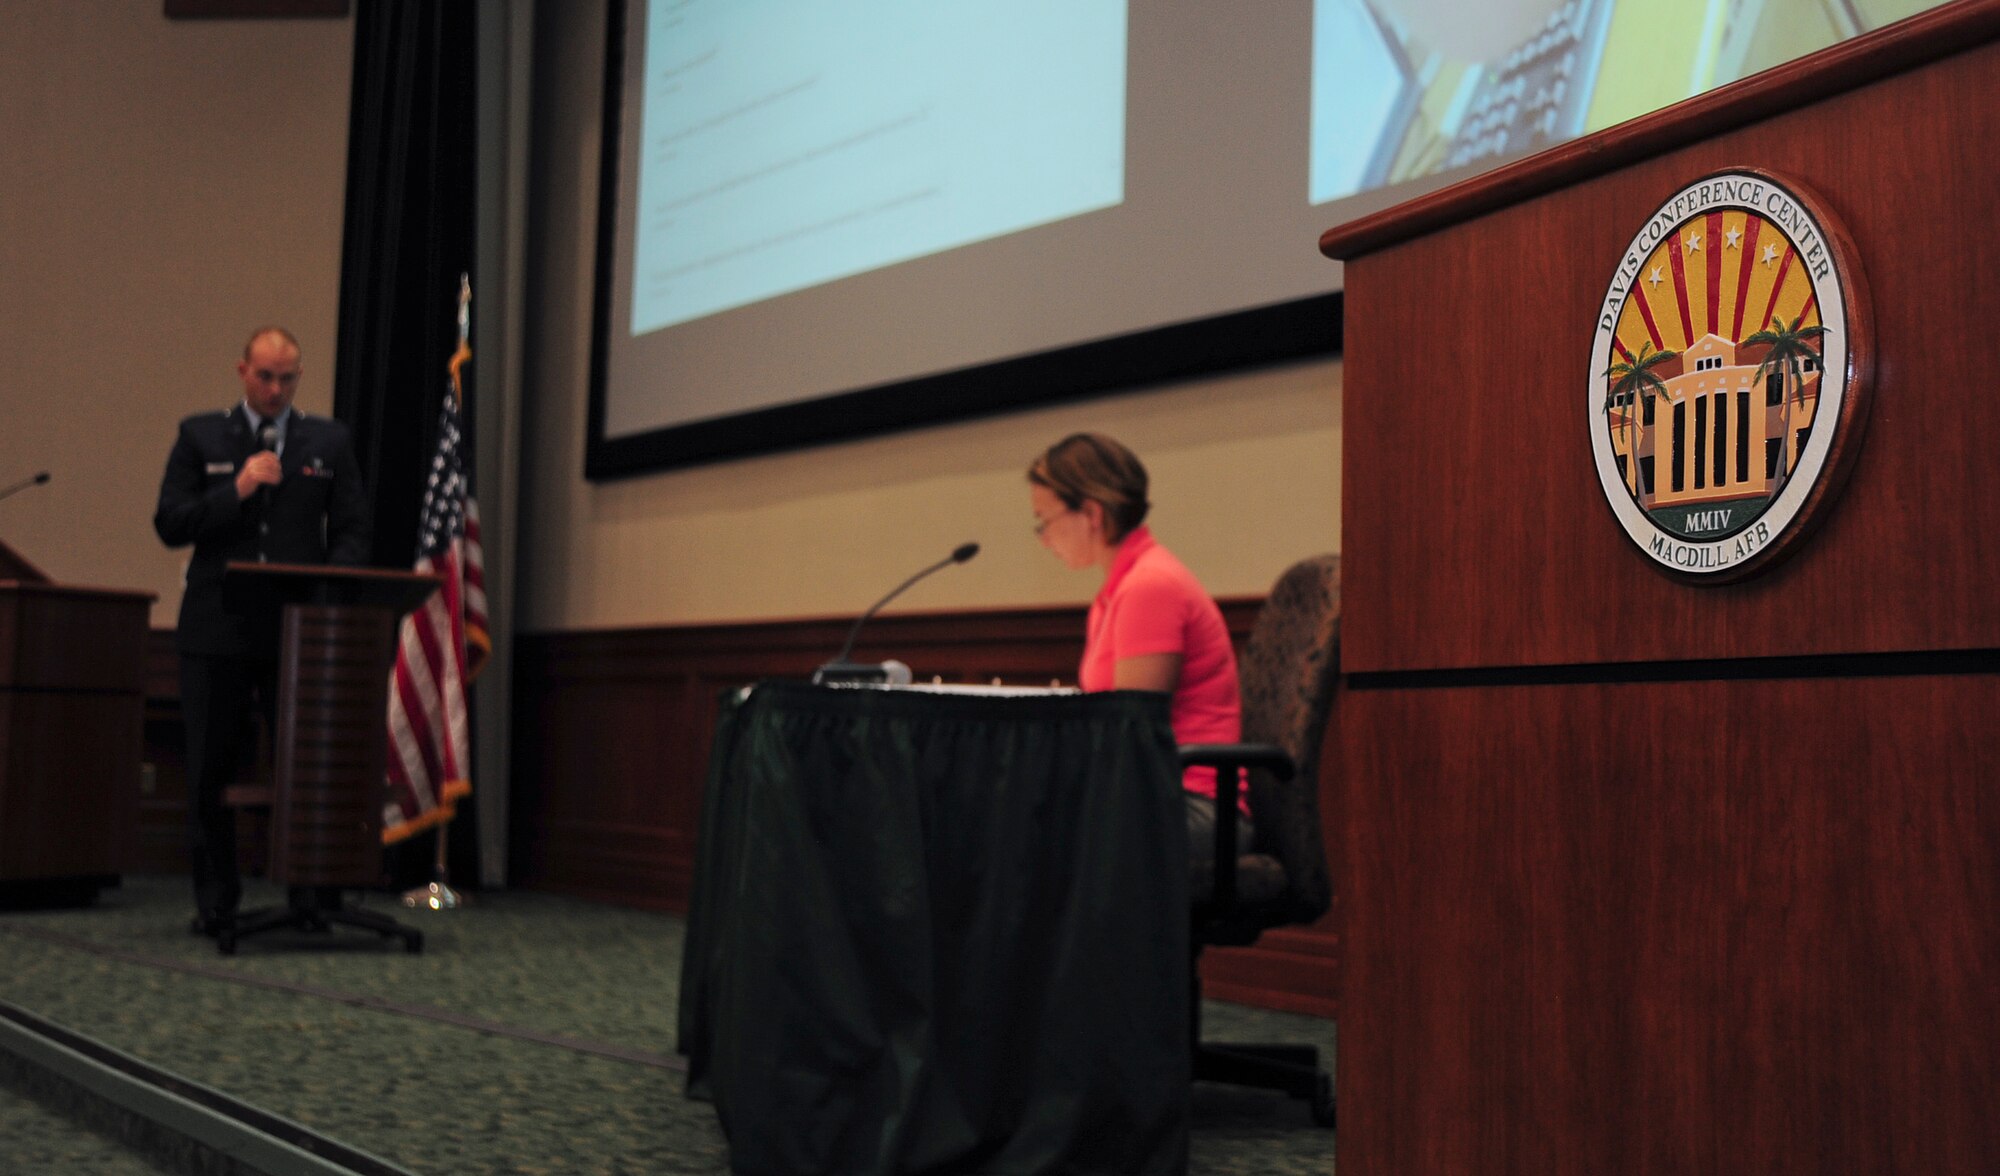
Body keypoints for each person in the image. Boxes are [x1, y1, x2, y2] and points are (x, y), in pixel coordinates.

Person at [153, 327, 371, 937]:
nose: (276, 389)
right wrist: (238, 488)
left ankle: (314, 898)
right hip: (216, 627)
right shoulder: (200, 435)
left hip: (299, 633)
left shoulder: (328, 440)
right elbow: (170, 523)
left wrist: (331, 589)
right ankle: (216, 902)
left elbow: (352, 528)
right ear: (243, 371)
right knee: (210, 769)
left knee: (310, 767)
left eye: (287, 378)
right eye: (266, 376)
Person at [1027, 432, 1250, 862]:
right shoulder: (1118, 591)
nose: (1043, 538)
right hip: (1150, 797)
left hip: (1192, 806)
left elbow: (1131, 734)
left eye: (1044, 521)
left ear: (1091, 513)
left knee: (1024, 836)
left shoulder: (1151, 587)